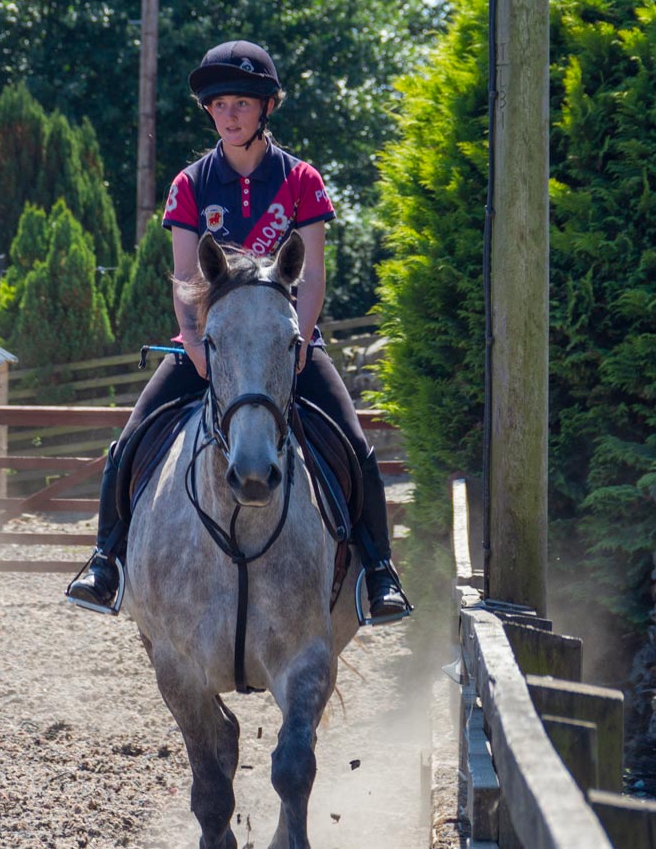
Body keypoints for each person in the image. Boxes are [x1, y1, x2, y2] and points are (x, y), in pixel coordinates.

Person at [66, 40, 408, 623]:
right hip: (209, 343)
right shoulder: (190, 184)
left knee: (355, 447)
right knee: (128, 443)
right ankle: (106, 561)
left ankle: (378, 573)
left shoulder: (302, 179)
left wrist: (300, 338)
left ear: (267, 106)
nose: (229, 114)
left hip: (287, 342)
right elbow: (183, 275)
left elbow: (315, 271)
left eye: (242, 103)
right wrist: (193, 341)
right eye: (219, 104)